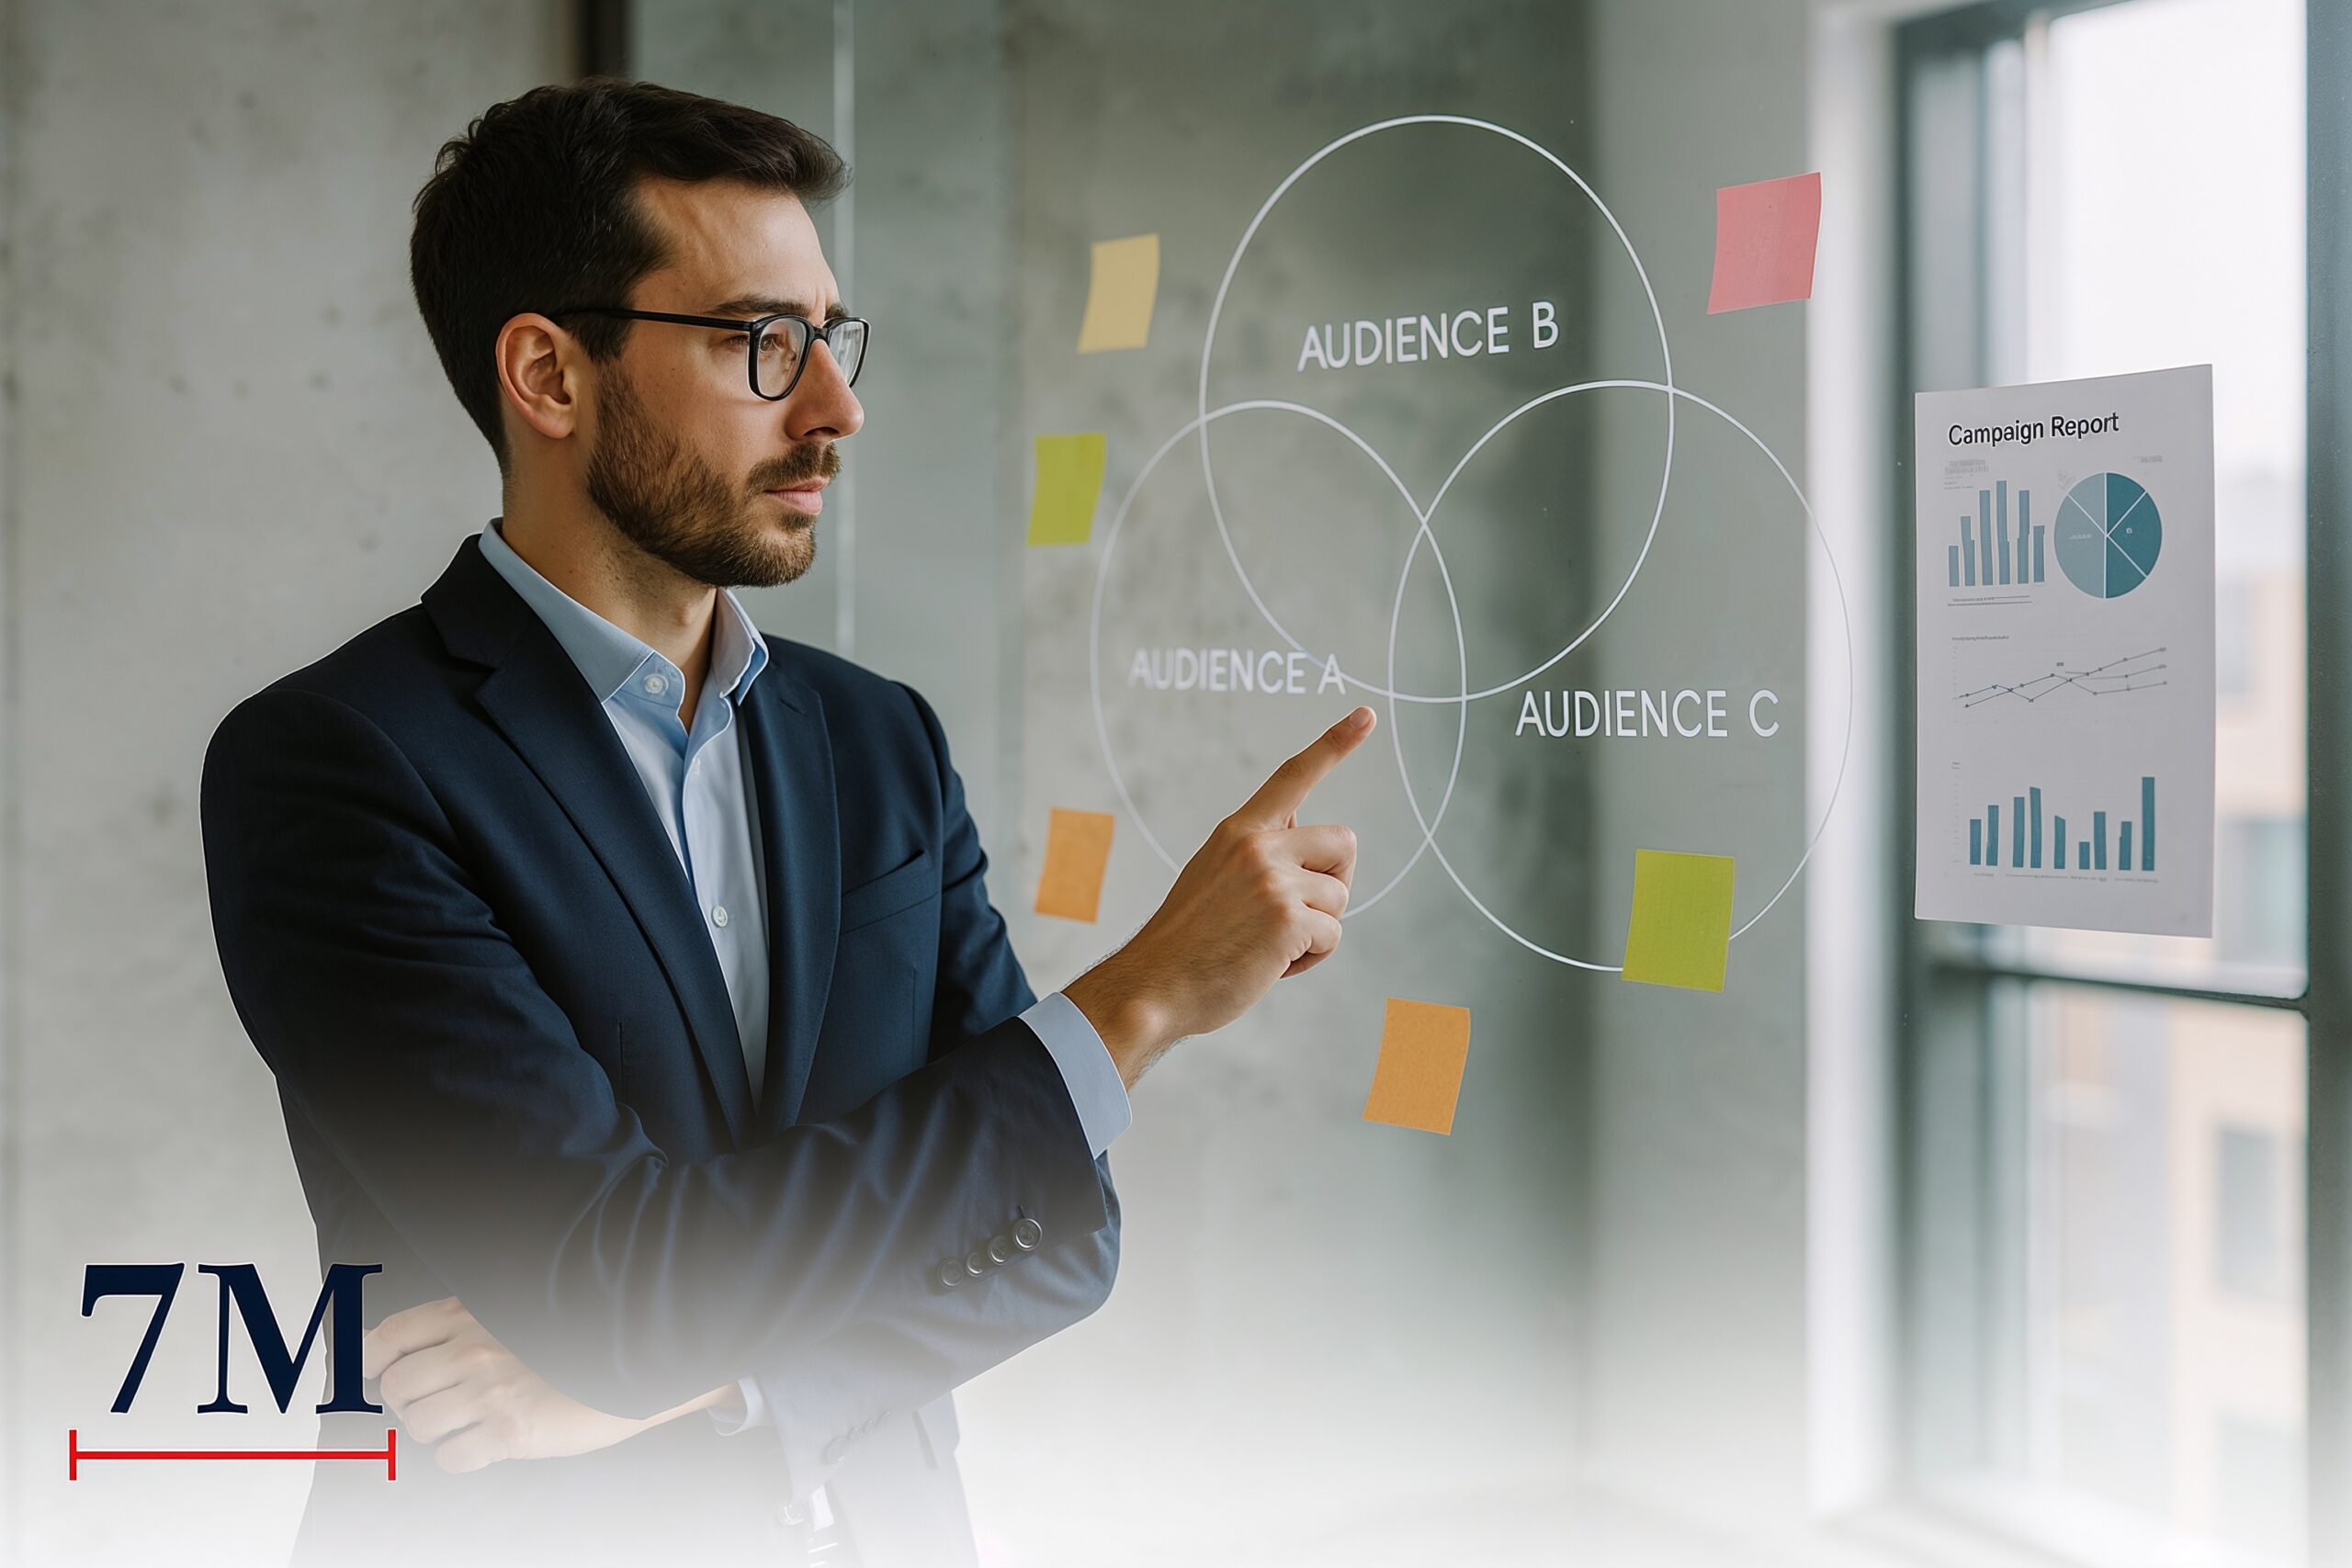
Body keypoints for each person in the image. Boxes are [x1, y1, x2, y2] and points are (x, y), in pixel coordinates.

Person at [198, 75, 1369, 1567]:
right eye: (762, 343)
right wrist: (1136, 1002)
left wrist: (710, 1387)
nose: (837, 407)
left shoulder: (875, 737)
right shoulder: (336, 766)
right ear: (549, 377)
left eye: (830, 336)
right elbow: (608, 1291)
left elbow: (1059, 1236)